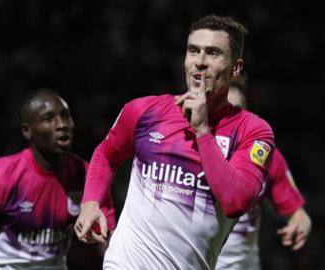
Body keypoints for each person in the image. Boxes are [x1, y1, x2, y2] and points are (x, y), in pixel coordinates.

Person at [74, 15, 276, 269]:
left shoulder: (254, 132)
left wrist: (202, 131)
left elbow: (235, 201)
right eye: (193, 51)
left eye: (212, 53)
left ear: (235, 68)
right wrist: (91, 202)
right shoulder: (146, 110)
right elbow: (106, 154)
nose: (199, 62)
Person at [0, 89, 116, 270]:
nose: (62, 124)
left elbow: (108, 238)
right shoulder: (2, 175)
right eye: (49, 119)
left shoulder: (89, 176)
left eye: (66, 116)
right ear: (27, 131)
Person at [216, 78, 312, 269]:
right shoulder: (187, 148)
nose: (228, 121)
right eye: (222, 111)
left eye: (236, 112)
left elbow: (299, 215)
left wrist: (300, 226)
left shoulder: (265, 155)